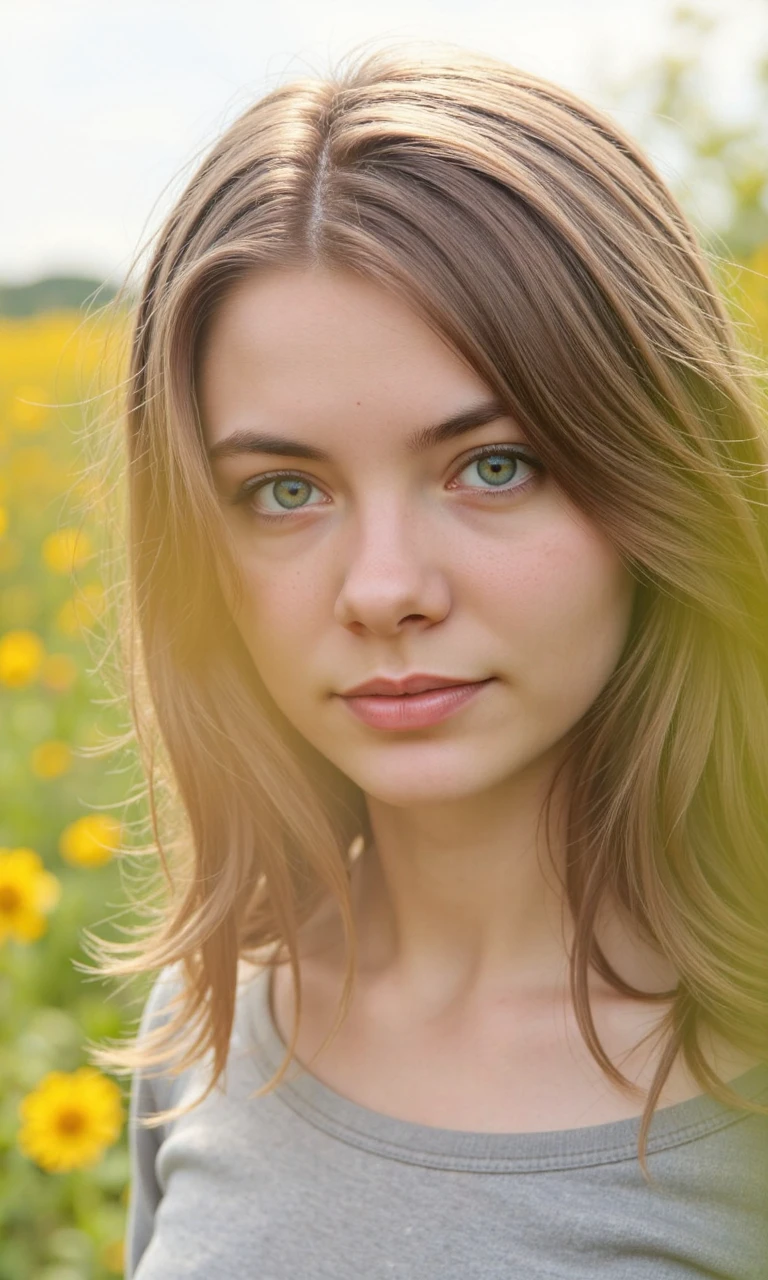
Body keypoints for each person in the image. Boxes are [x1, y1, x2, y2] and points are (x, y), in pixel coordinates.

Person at [84, 39, 768, 1279]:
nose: (385, 588)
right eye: (284, 489)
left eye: (492, 465)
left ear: (659, 476)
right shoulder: (213, 1017)